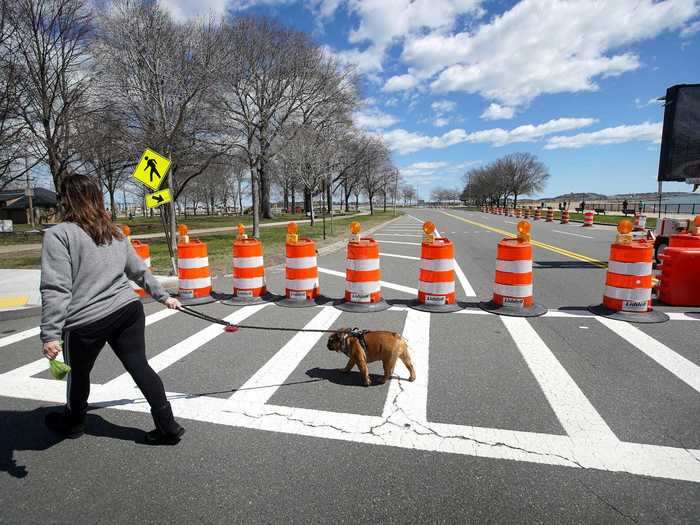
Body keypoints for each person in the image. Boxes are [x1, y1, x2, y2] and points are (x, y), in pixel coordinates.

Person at [40, 174, 185, 444]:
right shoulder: (113, 231)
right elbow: (139, 270)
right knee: (140, 366)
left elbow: (56, 288)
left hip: (85, 321)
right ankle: (168, 426)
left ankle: (74, 422)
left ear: (66, 200)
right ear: (96, 198)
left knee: (79, 375)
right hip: (126, 310)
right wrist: (163, 296)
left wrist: (50, 333)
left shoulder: (58, 235)